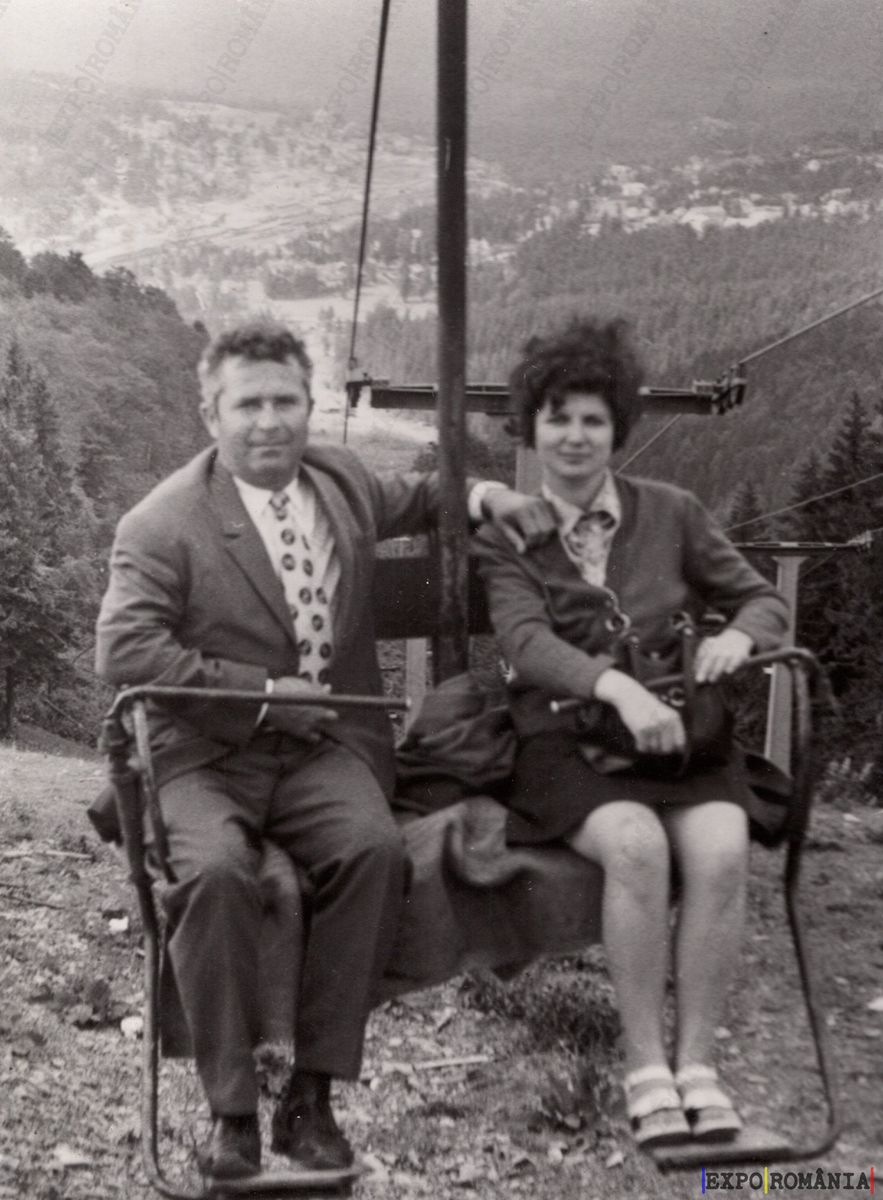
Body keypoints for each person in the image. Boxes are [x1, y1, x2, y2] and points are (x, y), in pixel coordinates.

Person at [95, 320, 551, 1181]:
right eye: (247, 405)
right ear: (211, 415)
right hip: (204, 752)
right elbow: (124, 651)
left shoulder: (338, 480)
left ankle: (311, 1097)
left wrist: (489, 494)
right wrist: (263, 696)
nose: (269, 422)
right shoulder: (163, 523)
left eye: (286, 402)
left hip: (322, 750)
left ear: (311, 407)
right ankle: (231, 1112)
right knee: (214, 874)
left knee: (374, 851)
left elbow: (421, 494)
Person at [474, 318, 789, 1151]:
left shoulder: (672, 513)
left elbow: (760, 599)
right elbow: (525, 643)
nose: (574, 437)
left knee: (721, 847)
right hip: (567, 737)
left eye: (593, 420)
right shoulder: (510, 537)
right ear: (530, 427)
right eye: (557, 419)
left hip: (676, 735)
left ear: (617, 430)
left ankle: (699, 1067)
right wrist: (614, 686)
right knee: (637, 846)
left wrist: (737, 637)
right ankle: (646, 1067)